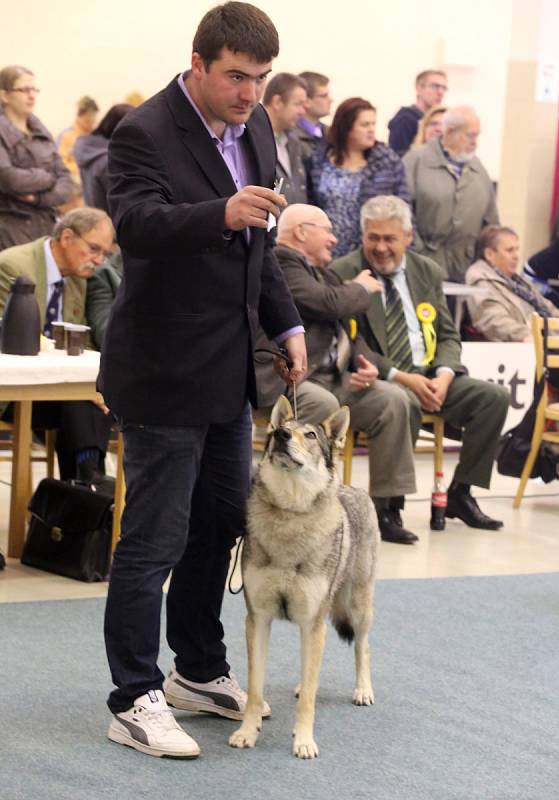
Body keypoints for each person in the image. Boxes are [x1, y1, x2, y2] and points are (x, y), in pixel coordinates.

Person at [100, 1, 306, 760]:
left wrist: (284, 326)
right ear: (198, 65)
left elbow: (262, 238)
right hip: (159, 370)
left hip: (230, 371)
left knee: (221, 527)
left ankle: (195, 669)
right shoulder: (143, 131)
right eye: (235, 78)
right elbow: (138, 225)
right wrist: (219, 210)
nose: (249, 94)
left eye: (260, 79)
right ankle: (133, 697)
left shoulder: (256, 127)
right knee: (153, 540)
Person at [331, 195, 510, 530]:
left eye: (389, 239)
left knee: (493, 398)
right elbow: (351, 342)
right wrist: (402, 377)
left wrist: (443, 375)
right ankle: (387, 507)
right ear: (363, 236)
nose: (381, 248)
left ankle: (460, 492)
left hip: (431, 375)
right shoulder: (344, 272)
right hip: (383, 379)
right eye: (373, 238)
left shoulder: (426, 270)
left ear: (408, 238)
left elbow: (447, 334)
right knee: (403, 400)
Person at [255, 203, 420, 544]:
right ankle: (296, 503)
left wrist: (366, 366)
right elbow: (327, 303)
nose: (334, 239)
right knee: (324, 402)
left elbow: (348, 330)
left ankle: (386, 508)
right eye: (326, 230)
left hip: (334, 378)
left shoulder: (325, 273)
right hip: (290, 380)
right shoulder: (282, 262)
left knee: (392, 400)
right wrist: (360, 288)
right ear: (301, 232)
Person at [0, 207, 115, 488]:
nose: (98, 261)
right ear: (66, 237)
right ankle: (89, 488)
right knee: (82, 399)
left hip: (56, 396)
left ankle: (84, 489)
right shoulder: (14, 267)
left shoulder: (78, 279)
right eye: (93, 249)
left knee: (88, 396)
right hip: (14, 393)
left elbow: (82, 339)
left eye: (104, 253)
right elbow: (9, 337)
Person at [403, 106, 499, 283]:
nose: (475, 142)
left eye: (477, 136)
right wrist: (419, 251)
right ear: (450, 132)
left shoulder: (478, 169)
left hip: (464, 269)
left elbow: (491, 223)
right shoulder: (416, 161)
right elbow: (402, 212)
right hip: (421, 265)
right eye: (470, 135)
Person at [307, 97, 412, 259]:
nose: (371, 130)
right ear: (346, 128)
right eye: (365, 125)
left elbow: (405, 208)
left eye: (373, 124)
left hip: (369, 252)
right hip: (325, 249)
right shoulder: (319, 159)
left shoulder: (387, 162)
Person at [0, 65, 74, 250]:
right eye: (24, 90)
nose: (32, 95)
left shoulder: (42, 132)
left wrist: (37, 199)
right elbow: (9, 178)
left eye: (34, 89)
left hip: (47, 224)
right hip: (11, 228)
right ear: (5, 96)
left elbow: (66, 182)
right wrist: (47, 177)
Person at [466, 225, 559, 346]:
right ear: (489, 254)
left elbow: (548, 307)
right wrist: (527, 335)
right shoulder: (480, 279)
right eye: (509, 250)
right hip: (519, 348)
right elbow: (493, 320)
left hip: (549, 340)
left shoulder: (517, 280)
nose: (516, 256)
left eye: (517, 249)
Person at [74, 104, 133, 213]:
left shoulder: (90, 151)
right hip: (110, 225)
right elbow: (124, 204)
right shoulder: (108, 160)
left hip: (96, 222)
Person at [262, 73, 307, 204]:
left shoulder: (294, 143)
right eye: (298, 104)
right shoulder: (250, 140)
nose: (302, 111)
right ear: (277, 102)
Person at [388, 70, 448, 156]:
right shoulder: (404, 120)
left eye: (444, 88)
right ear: (419, 88)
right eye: (435, 86)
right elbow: (398, 158)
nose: (440, 92)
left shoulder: (443, 118)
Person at [57, 96, 99, 184]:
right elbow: (60, 164)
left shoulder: (98, 135)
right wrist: (82, 169)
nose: (91, 125)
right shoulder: (66, 136)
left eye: (94, 121)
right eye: (88, 121)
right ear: (79, 116)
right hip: (75, 179)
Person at [296, 71, 332, 157]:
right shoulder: (289, 135)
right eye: (324, 96)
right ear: (306, 101)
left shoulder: (331, 133)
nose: (330, 100)